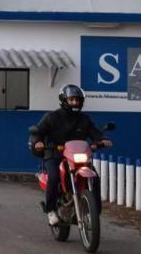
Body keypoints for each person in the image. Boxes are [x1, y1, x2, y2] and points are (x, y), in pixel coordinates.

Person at [32, 84, 113, 226]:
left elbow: (94, 132)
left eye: (77, 100)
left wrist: (102, 139)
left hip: (77, 155)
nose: (75, 103)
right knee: (54, 176)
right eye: (72, 100)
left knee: (94, 177)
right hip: (55, 154)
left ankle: (94, 211)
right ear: (64, 100)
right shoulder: (51, 117)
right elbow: (37, 131)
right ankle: (51, 210)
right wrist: (38, 141)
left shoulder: (84, 119)